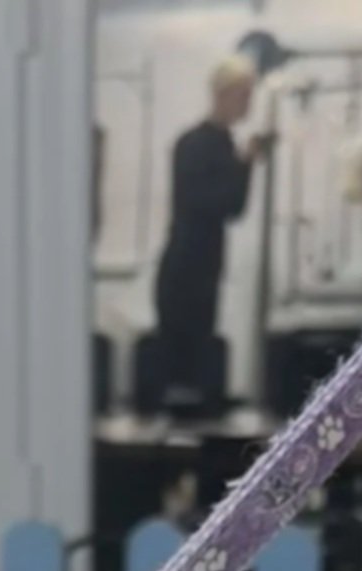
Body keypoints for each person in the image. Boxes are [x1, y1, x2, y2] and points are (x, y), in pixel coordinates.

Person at [151, 55, 266, 407]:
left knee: (196, 357)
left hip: (204, 265)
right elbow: (205, 203)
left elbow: (233, 208)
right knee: (181, 364)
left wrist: (244, 166)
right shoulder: (194, 144)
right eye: (244, 95)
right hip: (185, 267)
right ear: (224, 94)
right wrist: (244, 166)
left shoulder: (223, 143)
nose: (248, 104)